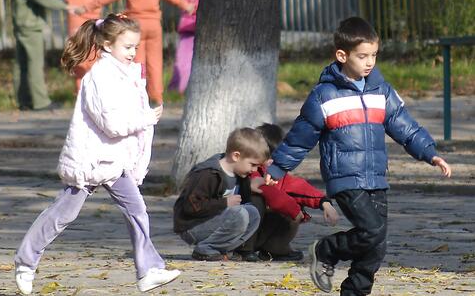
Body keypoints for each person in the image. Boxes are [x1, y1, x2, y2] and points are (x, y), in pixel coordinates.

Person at [265, 16, 452, 295]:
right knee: (372, 231)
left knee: (377, 244)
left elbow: (405, 126)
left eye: (374, 55)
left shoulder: (381, 90)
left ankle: (354, 291)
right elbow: (301, 136)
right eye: (363, 56)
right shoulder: (325, 95)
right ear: (342, 55)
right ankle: (326, 250)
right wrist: (279, 166)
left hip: (376, 177)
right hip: (345, 178)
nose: (369, 62)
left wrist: (429, 153)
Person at [14, 13, 180, 294]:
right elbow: (112, 124)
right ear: (106, 44)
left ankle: (148, 270)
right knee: (62, 214)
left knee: (137, 210)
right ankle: (26, 262)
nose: (132, 52)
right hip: (90, 161)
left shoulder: (126, 75)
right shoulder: (99, 77)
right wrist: (146, 118)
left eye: (135, 47)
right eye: (127, 47)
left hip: (114, 162)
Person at [83, 0, 194, 106]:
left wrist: (85, 8)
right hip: (155, 27)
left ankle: (138, 97)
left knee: (137, 63)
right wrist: (188, 6)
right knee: (155, 64)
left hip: (135, 29)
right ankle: (157, 98)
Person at [235, 123, 339, 262]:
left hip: (263, 229)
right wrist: (294, 210)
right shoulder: (250, 173)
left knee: (292, 205)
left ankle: (274, 248)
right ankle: (245, 250)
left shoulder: (278, 174)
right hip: (240, 232)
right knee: (257, 200)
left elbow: (300, 187)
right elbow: (270, 193)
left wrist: (324, 203)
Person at [173, 127, 270, 262]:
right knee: (239, 213)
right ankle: (206, 249)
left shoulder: (240, 174)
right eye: (252, 165)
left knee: (252, 213)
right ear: (236, 156)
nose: (254, 170)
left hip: (216, 221)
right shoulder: (208, 174)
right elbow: (190, 206)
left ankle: (222, 249)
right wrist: (224, 203)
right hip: (193, 226)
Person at [11, 0, 78, 111]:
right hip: (31, 29)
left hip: (20, 27)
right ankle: (40, 102)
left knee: (21, 66)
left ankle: (24, 100)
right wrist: (66, 6)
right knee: (35, 65)